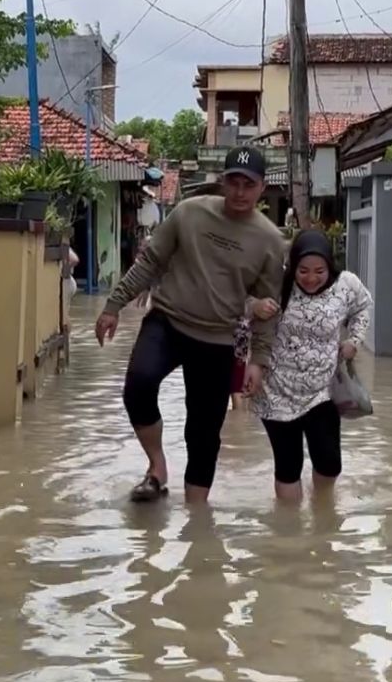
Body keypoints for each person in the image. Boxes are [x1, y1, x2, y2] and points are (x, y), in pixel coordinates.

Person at [95, 147, 285, 504]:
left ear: (262, 188)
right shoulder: (188, 213)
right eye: (233, 182)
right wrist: (113, 305)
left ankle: (197, 519)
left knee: (203, 431)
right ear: (222, 182)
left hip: (217, 339)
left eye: (249, 184)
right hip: (167, 322)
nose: (240, 192)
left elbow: (267, 308)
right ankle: (157, 466)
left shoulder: (270, 241)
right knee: (138, 384)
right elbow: (150, 261)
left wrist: (259, 362)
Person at [252, 229, 372, 502]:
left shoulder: (346, 285)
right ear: (293, 266)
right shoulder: (275, 284)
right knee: (287, 468)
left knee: (330, 464)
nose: (311, 278)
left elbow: (363, 306)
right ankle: (290, 534)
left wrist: (354, 340)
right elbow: (237, 301)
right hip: (276, 392)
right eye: (303, 270)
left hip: (323, 391)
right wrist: (254, 306)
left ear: (330, 265)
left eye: (320, 271)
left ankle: (323, 513)